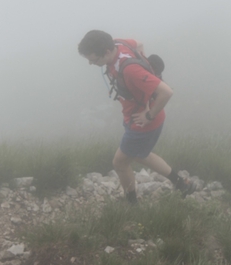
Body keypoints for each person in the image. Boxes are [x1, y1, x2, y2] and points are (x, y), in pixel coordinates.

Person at [78, 30, 195, 203]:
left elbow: (166, 92)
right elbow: (139, 44)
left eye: (94, 59)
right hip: (139, 117)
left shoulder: (131, 70)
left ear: (107, 52)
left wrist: (149, 115)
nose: (90, 63)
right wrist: (146, 74)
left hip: (141, 124)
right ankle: (181, 184)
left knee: (120, 163)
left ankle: (131, 205)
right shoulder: (117, 43)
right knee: (141, 154)